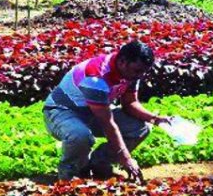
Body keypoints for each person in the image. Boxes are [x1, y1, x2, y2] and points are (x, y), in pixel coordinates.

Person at [43, 40, 171, 182]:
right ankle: (70, 174)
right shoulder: (96, 78)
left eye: (143, 72)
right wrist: (126, 158)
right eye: (137, 71)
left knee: (141, 128)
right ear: (123, 62)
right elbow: (107, 123)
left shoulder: (129, 73)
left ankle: (99, 164)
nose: (140, 76)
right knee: (80, 135)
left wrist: (155, 119)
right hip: (61, 112)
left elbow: (130, 103)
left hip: (93, 112)